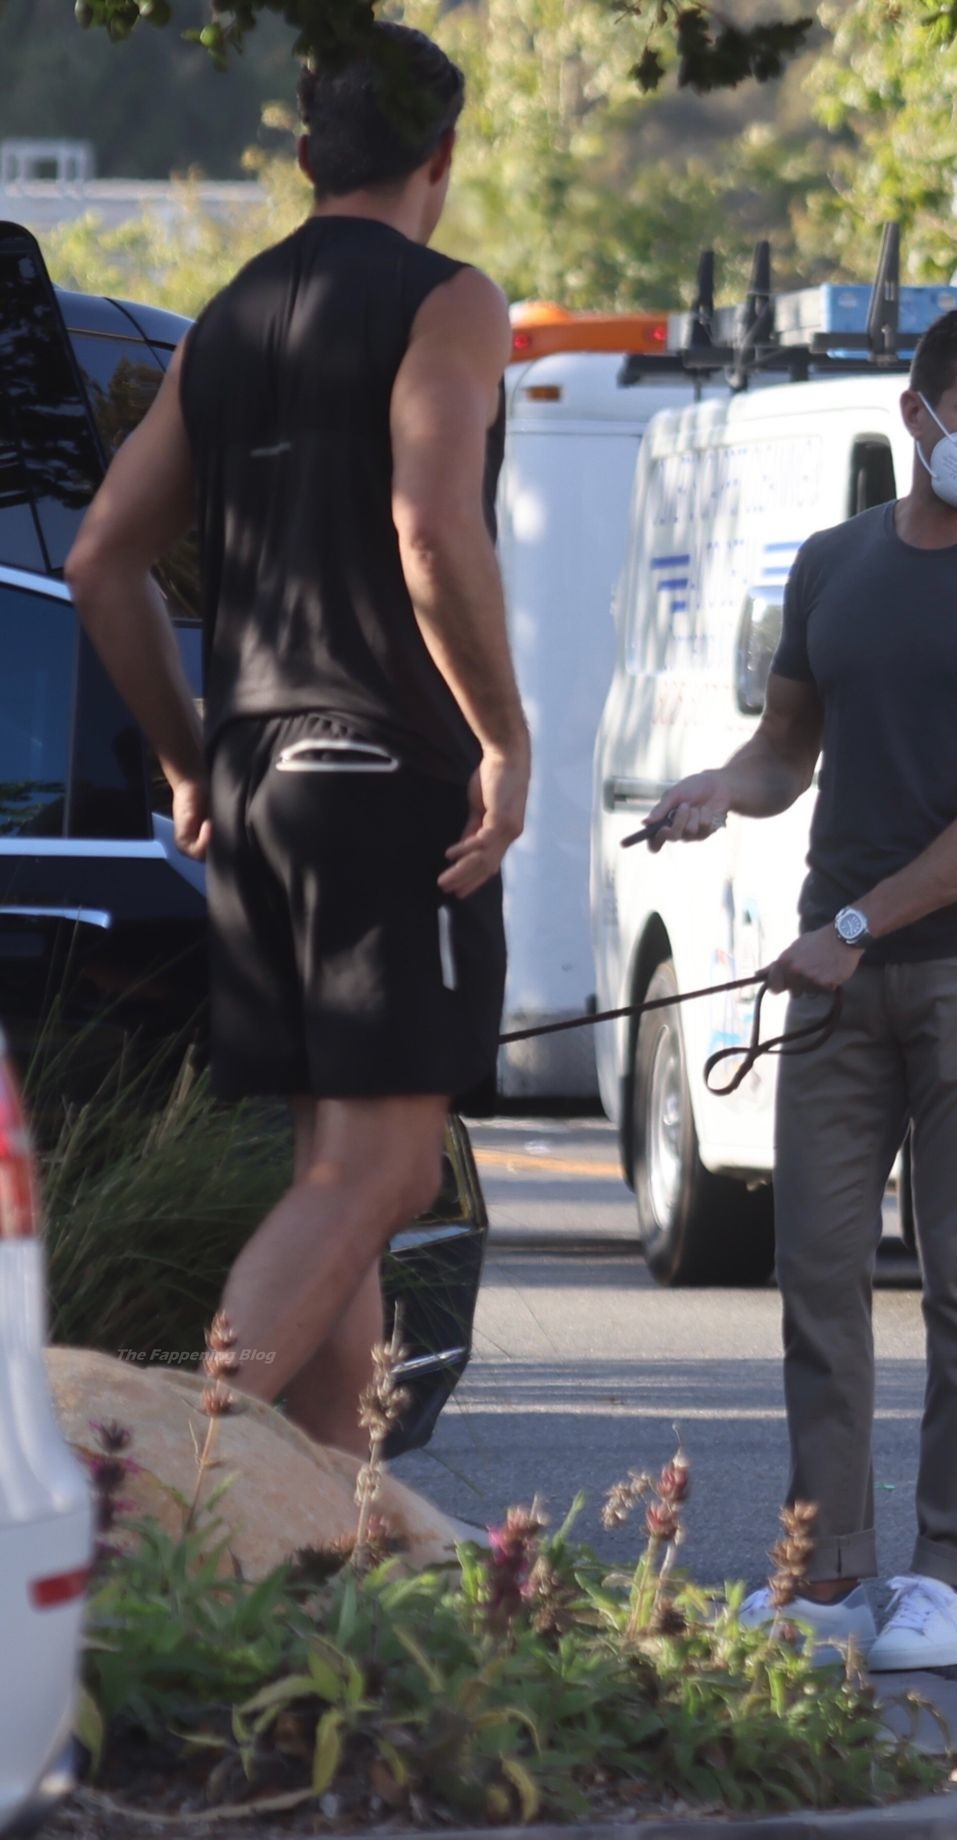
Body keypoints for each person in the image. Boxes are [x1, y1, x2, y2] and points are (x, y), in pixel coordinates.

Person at [65, 24, 526, 1453]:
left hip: (262, 789)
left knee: (336, 1171)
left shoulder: (227, 318)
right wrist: (502, 740)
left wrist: (189, 761)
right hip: (388, 778)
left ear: (309, 150)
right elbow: (429, 526)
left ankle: (337, 1541)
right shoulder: (453, 301)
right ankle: (155, 1480)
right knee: (385, 1173)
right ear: (443, 155)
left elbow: (100, 560)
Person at [646, 309, 957, 1669]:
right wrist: (716, 790)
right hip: (835, 973)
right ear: (916, 415)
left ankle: (949, 1579)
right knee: (816, 1273)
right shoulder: (835, 564)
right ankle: (828, 1573)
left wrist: (856, 922)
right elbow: (784, 753)